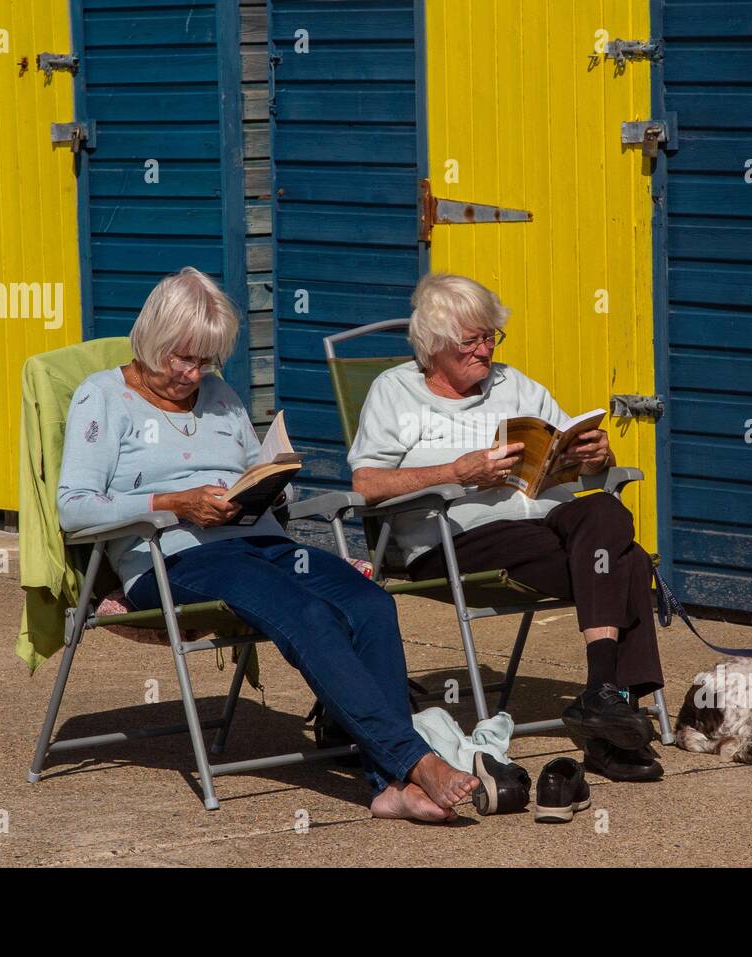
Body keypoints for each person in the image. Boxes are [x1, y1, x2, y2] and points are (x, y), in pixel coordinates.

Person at [57, 266, 477, 821]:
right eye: (180, 358)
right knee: (307, 613)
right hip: (174, 556)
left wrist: (271, 480)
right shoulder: (102, 398)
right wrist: (172, 502)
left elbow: (250, 471)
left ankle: (387, 786)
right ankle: (415, 764)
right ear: (150, 339)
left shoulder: (220, 394)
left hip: (259, 542)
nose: (191, 373)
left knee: (369, 602)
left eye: (205, 360)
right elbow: (73, 508)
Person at [348, 273, 667, 782]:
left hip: (543, 523)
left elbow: (569, 444)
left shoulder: (514, 384)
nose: (485, 350)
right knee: (623, 562)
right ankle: (609, 720)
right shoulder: (396, 392)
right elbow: (365, 484)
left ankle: (601, 698)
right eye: (470, 341)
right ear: (433, 348)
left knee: (608, 513)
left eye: (490, 336)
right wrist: (457, 473)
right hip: (454, 537)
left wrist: (593, 456)